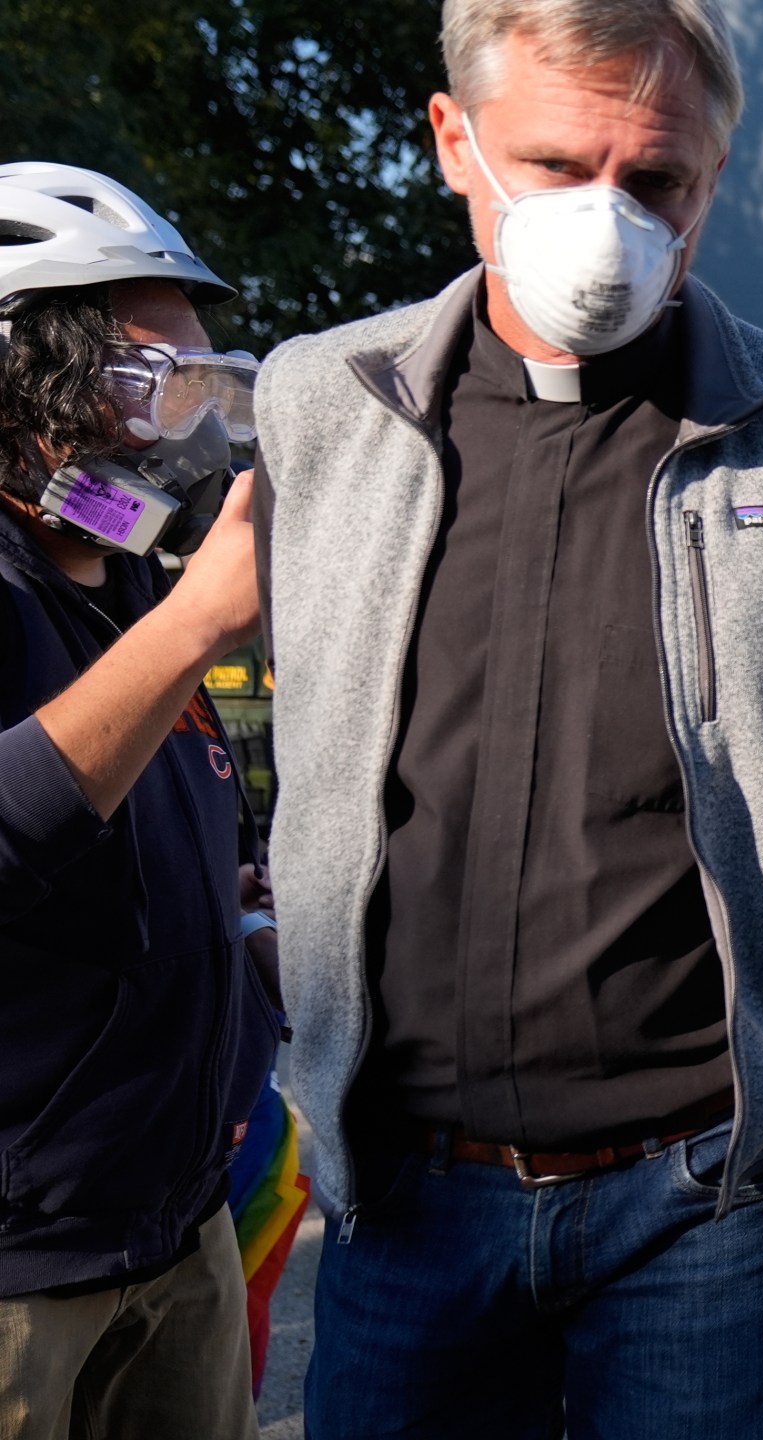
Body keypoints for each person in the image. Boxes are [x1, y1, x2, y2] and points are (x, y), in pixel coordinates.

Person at [250, 1, 763, 1433]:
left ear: (711, 185)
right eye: (559, 166)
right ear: (455, 141)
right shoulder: (324, 405)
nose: (607, 220)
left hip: (705, 1196)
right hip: (407, 1194)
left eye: (658, 183)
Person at [0, 162, 274, 1440]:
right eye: (153, 385)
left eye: (209, 387)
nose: (187, 432)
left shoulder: (130, 591)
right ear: (20, 378)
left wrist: (233, 903)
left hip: (179, 1222)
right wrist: (203, 619)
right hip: (20, 1274)